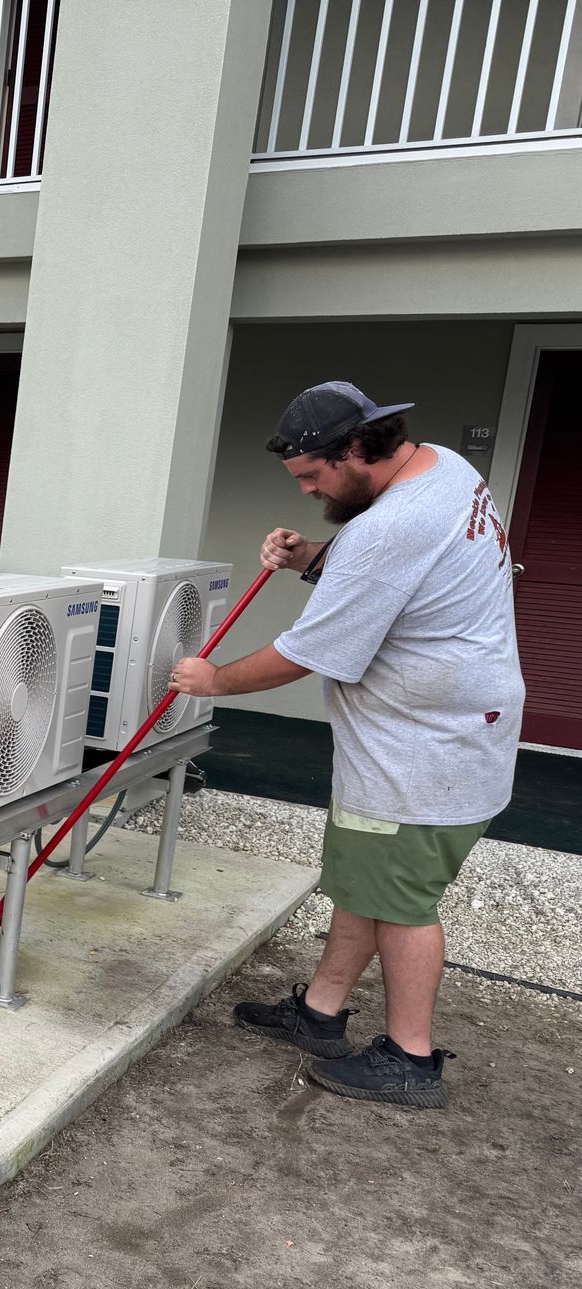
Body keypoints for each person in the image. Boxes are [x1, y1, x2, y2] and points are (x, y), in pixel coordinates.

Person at [169, 381, 523, 1109]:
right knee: (368, 884)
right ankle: (322, 1013)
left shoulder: (386, 531)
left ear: (358, 448)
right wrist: (313, 557)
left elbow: (308, 652)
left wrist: (214, 679)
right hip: (435, 738)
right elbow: (401, 570)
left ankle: (411, 1061)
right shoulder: (445, 468)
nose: (305, 492)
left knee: (402, 903)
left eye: (312, 477)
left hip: (421, 756)